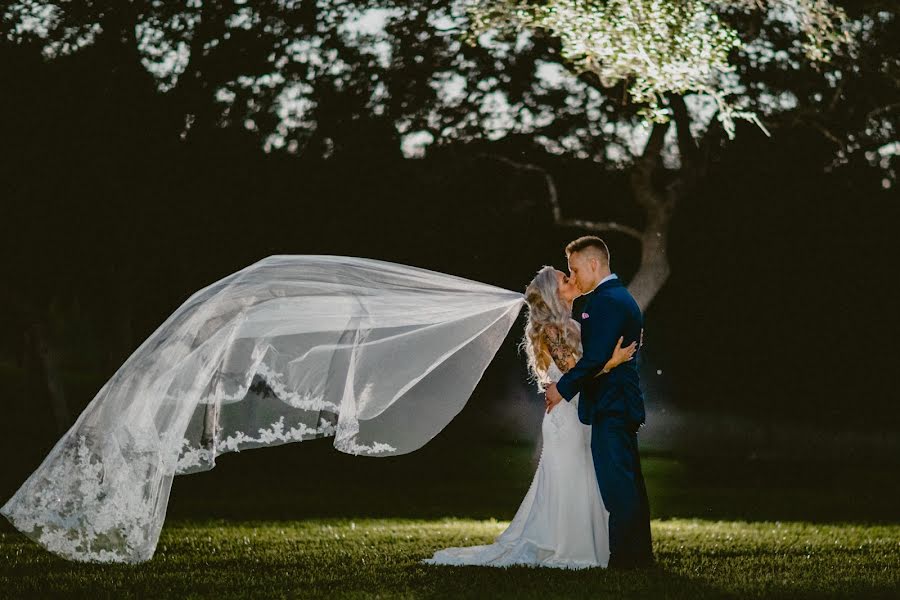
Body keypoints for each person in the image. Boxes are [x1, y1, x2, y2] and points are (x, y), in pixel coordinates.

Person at [423, 265, 636, 569]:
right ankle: (571, 549)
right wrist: (613, 362)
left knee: (585, 479)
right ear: (553, 293)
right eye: (565, 279)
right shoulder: (552, 331)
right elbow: (576, 375)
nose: (572, 280)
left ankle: (595, 548)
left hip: (581, 412)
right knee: (571, 481)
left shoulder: (573, 325)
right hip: (566, 418)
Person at [545, 236, 654, 568]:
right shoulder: (619, 298)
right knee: (629, 482)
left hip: (611, 404)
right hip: (619, 402)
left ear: (594, 263)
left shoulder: (603, 302)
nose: (574, 276)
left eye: (575, 268)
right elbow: (602, 356)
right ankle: (638, 556)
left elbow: (592, 359)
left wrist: (561, 389)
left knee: (617, 485)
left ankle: (625, 561)